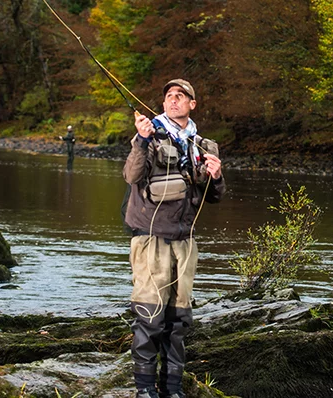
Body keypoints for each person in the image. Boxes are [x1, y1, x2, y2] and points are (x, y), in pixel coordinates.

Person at [122, 79, 225, 398]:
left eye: (181, 96)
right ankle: (144, 390)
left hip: (185, 242)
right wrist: (141, 140)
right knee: (150, 316)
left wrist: (217, 176)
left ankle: (172, 388)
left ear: (193, 104)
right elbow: (132, 176)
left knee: (178, 320)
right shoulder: (148, 137)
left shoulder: (206, 147)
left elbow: (216, 196)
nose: (174, 100)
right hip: (150, 239)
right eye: (169, 96)